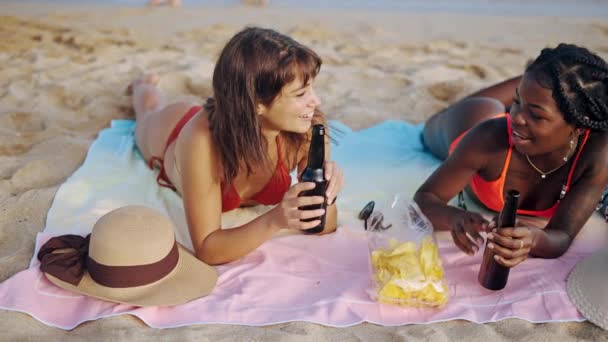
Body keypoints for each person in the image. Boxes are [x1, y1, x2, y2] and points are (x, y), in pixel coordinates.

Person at [129, 27, 343, 265]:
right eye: (301, 93)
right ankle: (141, 85)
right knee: (147, 111)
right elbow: (208, 249)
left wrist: (328, 196)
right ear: (257, 104)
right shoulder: (201, 140)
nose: (316, 101)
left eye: (312, 88)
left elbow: (324, 226)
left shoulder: (310, 129)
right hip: (173, 134)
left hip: (235, 121)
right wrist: (275, 220)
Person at [415, 43, 608, 268]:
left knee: (544, 89)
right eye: (516, 102)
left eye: (536, 115)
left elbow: (561, 235)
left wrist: (536, 239)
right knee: (468, 114)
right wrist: (453, 217)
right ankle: (535, 85)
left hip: (546, 108)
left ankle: (538, 86)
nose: (516, 117)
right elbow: (425, 198)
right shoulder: (486, 140)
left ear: (579, 127)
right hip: (470, 122)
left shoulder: (596, 156)